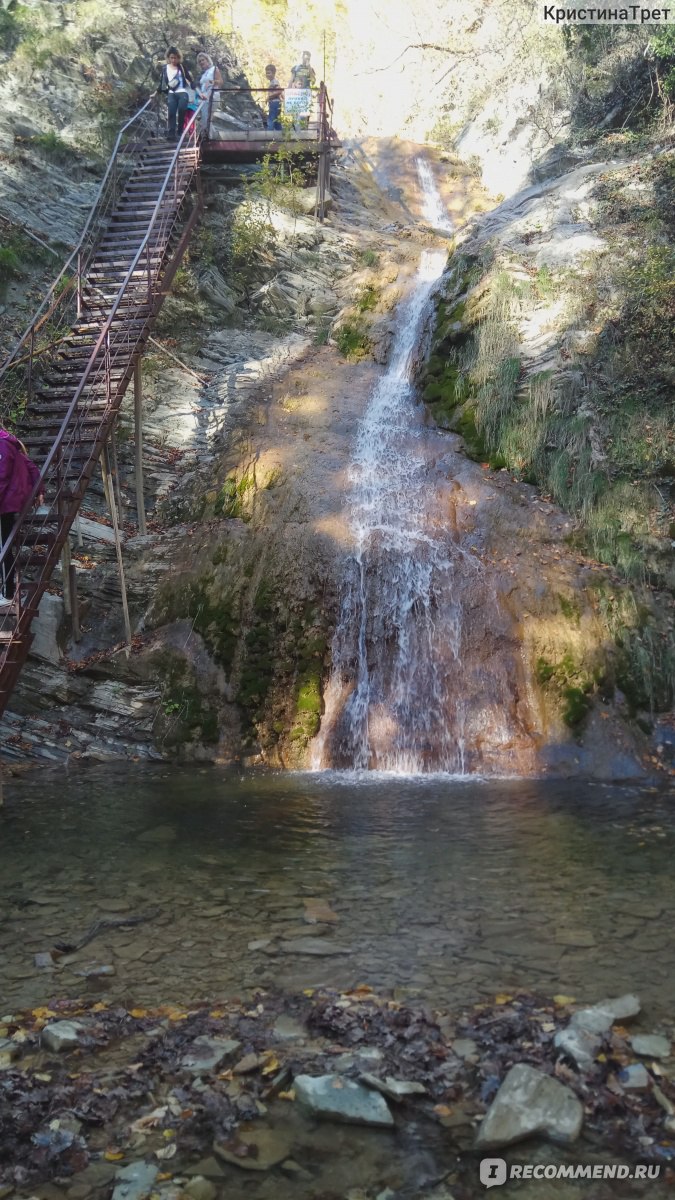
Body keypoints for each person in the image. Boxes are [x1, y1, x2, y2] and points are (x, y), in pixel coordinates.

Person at [0, 429, 42, 606]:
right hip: (7, 503)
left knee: (3, 548)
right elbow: (30, 466)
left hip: (4, 504)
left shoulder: (2, 445)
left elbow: (1, 477)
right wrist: (39, 490)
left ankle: (7, 594)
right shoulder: (9, 443)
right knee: (4, 547)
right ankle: (7, 592)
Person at [158, 47, 194, 141]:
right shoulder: (165, 68)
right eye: (172, 57)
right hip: (171, 93)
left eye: (175, 58)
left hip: (182, 92)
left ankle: (180, 131)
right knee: (171, 112)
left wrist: (199, 92)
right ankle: (171, 134)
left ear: (179, 58)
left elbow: (190, 80)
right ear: (168, 58)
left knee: (182, 109)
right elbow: (162, 83)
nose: (173, 60)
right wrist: (155, 93)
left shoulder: (182, 67)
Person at [196, 51, 223, 137]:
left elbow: (220, 82)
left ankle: (210, 137)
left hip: (213, 95)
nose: (201, 62)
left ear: (207, 60)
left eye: (202, 60)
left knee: (207, 118)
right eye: (199, 61)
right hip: (204, 97)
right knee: (205, 118)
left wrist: (211, 81)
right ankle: (212, 137)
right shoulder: (203, 74)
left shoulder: (214, 69)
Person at [264, 63, 283, 131]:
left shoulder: (274, 81)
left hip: (275, 103)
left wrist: (269, 96)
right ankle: (281, 135)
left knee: (271, 119)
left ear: (274, 73)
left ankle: (269, 135)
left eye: (269, 73)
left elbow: (279, 91)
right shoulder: (272, 82)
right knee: (277, 121)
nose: (267, 75)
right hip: (275, 103)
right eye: (266, 73)